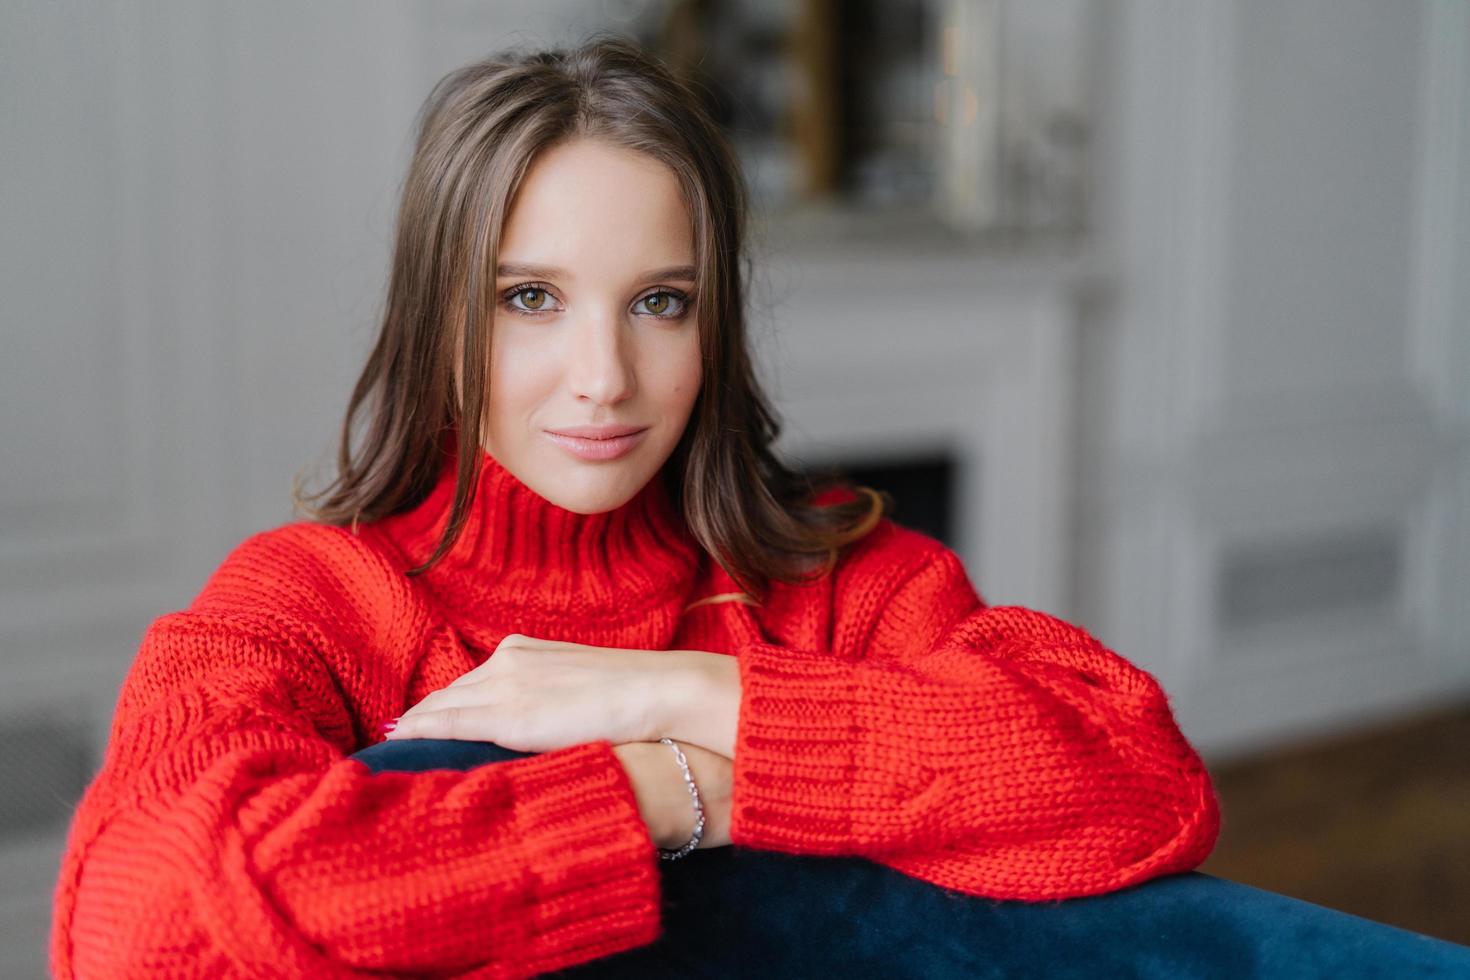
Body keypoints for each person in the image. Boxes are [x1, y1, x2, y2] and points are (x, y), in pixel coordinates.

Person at [50, 33, 1221, 978]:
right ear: (439, 315)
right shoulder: (310, 598)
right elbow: (142, 925)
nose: (604, 375)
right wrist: (667, 787)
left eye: (660, 300)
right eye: (531, 298)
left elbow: (1142, 776)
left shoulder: (846, 577)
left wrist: (680, 687)